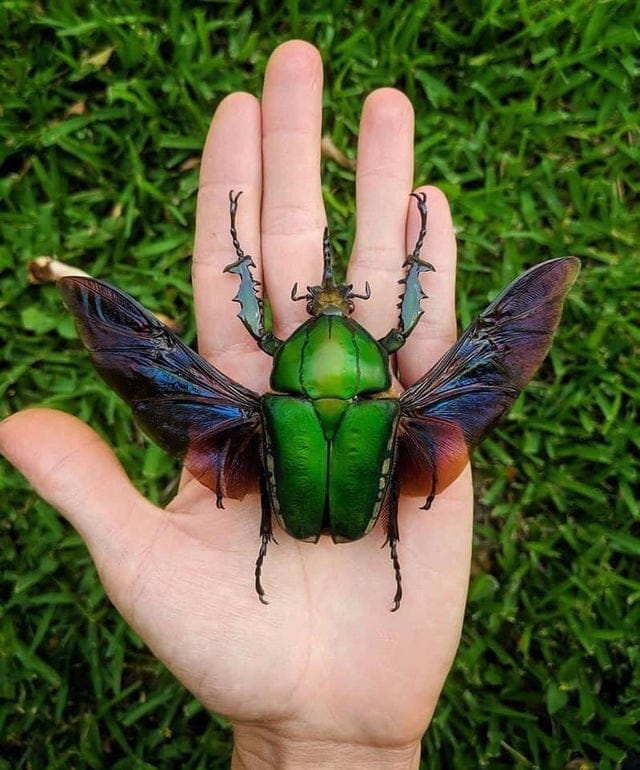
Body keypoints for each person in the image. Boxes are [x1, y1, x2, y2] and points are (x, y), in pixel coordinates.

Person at [0, 41, 472, 768]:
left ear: (292, 342)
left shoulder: (267, 401)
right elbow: (407, 329)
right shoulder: (391, 400)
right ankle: (393, 557)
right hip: (356, 508)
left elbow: (255, 325)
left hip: (283, 512)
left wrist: (242, 268)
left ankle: (287, 542)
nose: (328, 304)